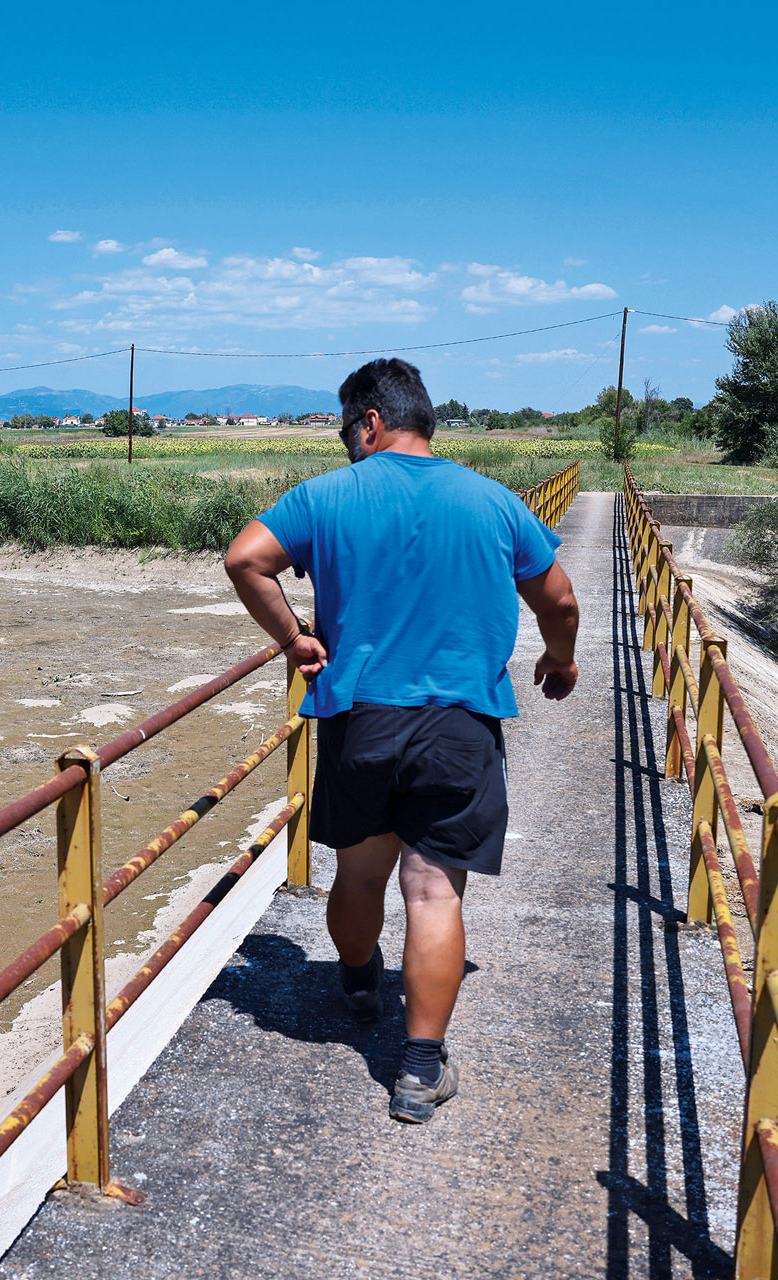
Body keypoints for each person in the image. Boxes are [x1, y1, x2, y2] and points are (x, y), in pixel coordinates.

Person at [223, 358, 580, 1123]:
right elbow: (561, 598)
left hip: (362, 718)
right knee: (433, 890)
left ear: (372, 422)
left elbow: (244, 559)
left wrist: (293, 638)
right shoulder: (494, 502)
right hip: (459, 723)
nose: (347, 442)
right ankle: (419, 1071)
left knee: (359, 877)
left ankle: (358, 983)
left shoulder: (324, 497)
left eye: (348, 428)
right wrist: (559, 658)